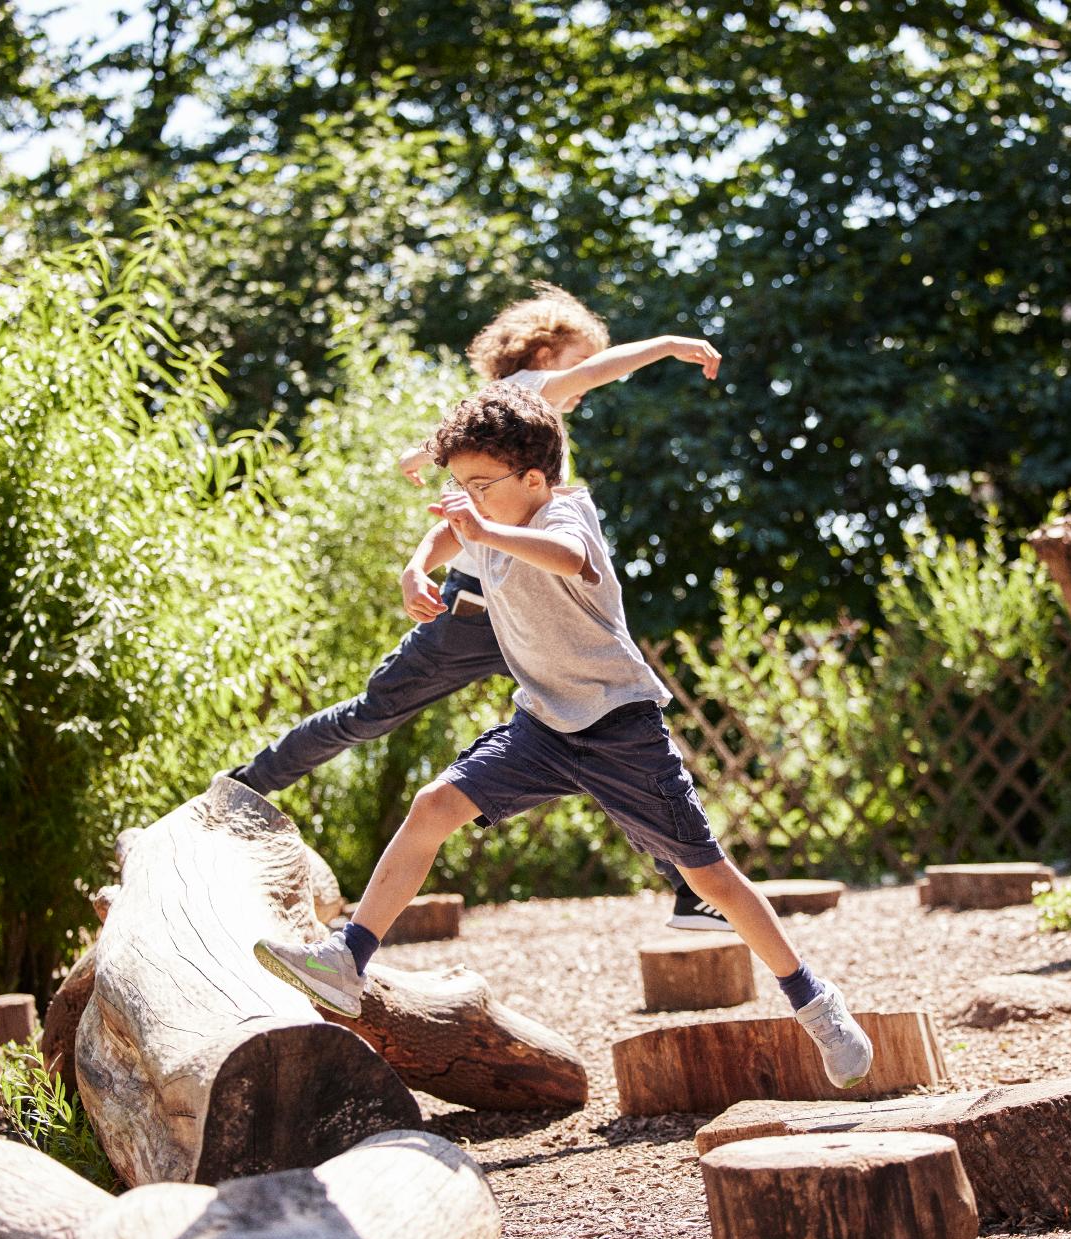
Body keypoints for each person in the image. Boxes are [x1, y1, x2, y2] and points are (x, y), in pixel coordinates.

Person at [253, 382, 874, 1089]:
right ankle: (347, 957)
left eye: (479, 486)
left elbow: (567, 557)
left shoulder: (565, 513)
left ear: (535, 479)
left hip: (619, 728)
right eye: (458, 485)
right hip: (543, 726)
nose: (467, 500)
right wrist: (418, 563)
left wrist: (483, 531)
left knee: (709, 878)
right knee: (433, 807)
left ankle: (814, 1001)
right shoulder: (487, 515)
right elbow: (454, 529)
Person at [223, 283, 735, 931]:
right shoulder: (530, 392)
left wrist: (418, 541)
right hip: (487, 614)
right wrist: (665, 345)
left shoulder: (499, 423)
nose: (580, 389)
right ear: (547, 354)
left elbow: (458, 501)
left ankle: (249, 784)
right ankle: (247, 786)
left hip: (522, 614)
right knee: (607, 731)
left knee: (591, 731)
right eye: (575, 366)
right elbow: (592, 373)